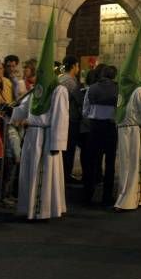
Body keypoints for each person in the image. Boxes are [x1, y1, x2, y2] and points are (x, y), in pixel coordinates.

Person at [13, 12, 69, 220]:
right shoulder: (35, 89)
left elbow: (60, 117)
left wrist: (57, 143)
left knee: (44, 175)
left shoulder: (58, 90)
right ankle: (29, 207)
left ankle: (43, 210)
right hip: (31, 137)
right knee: (30, 173)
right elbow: (23, 107)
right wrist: (12, 114)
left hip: (46, 138)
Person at [113, 27, 141, 211]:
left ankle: (130, 197)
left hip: (123, 131)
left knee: (125, 166)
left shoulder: (123, 92)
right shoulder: (139, 90)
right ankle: (131, 199)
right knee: (135, 165)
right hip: (137, 132)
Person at [82, 65, 118, 206]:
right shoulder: (117, 89)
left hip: (95, 127)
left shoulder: (92, 88)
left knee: (92, 162)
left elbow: (85, 111)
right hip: (110, 128)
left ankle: (88, 195)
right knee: (110, 164)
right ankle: (106, 198)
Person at [58, 56, 84, 184]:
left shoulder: (59, 78)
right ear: (74, 66)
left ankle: (60, 174)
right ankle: (66, 176)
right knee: (69, 149)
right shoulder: (71, 82)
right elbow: (79, 101)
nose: (78, 68)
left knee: (62, 149)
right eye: (78, 66)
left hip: (61, 119)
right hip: (71, 120)